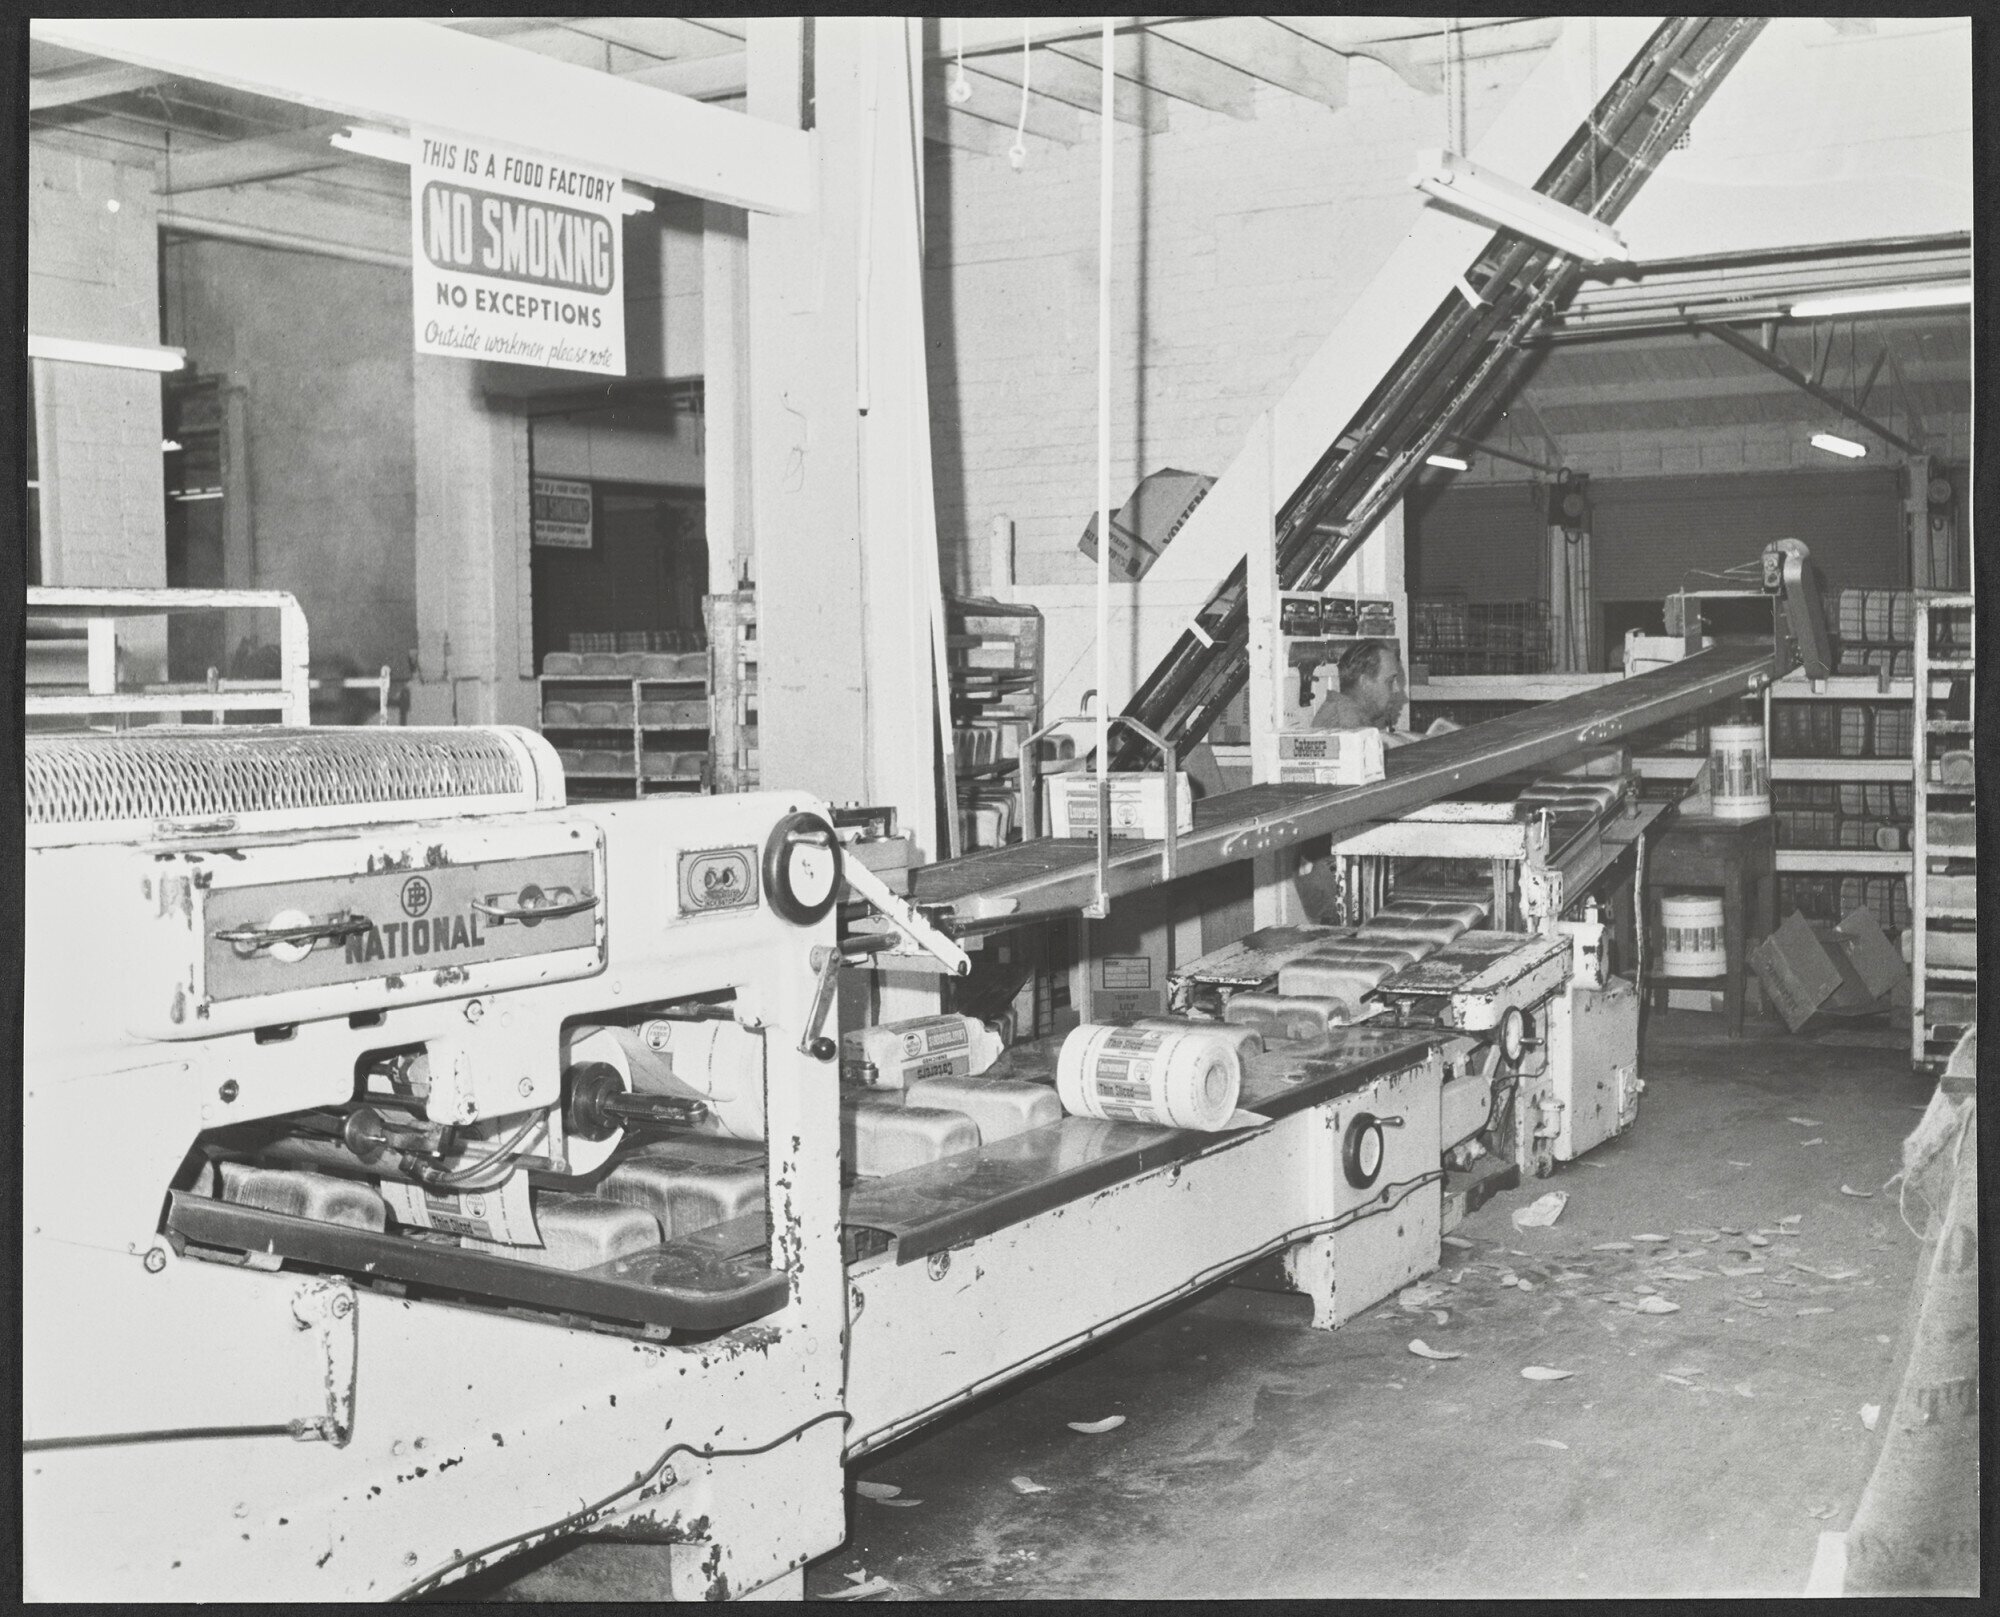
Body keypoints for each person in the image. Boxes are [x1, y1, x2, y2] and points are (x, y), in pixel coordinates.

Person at [1309, 638, 1459, 745]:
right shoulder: (1345, 724)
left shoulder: (1346, 714)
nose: (1397, 689)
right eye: (1390, 681)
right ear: (1365, 683)